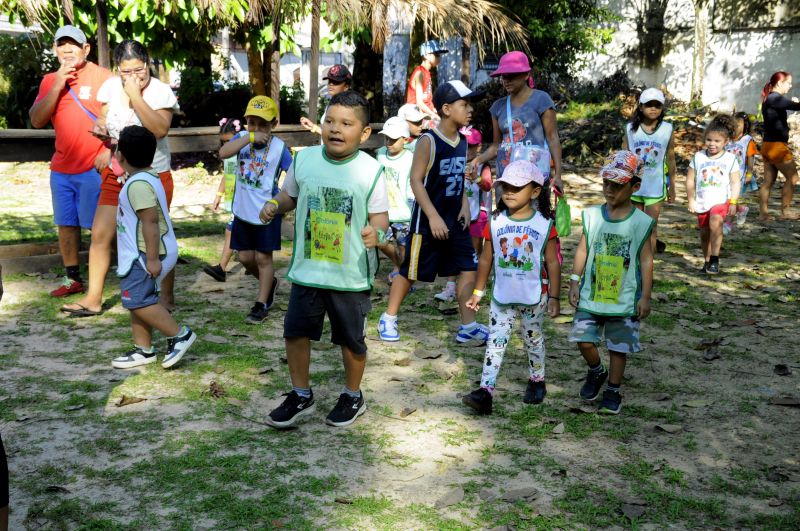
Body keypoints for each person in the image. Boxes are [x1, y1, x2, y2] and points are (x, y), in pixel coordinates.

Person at [258, 91, 389, 428]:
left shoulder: (371, 171)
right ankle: (301, 394)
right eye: (329, 120)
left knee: (350, 338)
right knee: (295, 332)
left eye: (346, 123)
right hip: (307, 270)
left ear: (364, 134)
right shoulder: (304, 160)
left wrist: (377, 234)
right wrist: (276, 204)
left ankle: (352, 395)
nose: (335, 128)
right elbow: (290, 195)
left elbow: (380, 219)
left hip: (350, 275)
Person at [61, 40, 179, 316]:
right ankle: (93, 298)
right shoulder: (110, 87)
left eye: (138, 70)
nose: (132, 77)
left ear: (147, 64)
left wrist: (135, 95)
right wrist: (101, 131)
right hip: (118, 172)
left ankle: (167, 297)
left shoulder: (160, 91)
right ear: (117, 69)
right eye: (125, 72)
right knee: (101, 234)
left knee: (156, 235)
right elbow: (105, 120)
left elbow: (160, 129)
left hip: (152, 175)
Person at [379, 81, 488, 345]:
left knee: (467, 267)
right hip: (427, 223)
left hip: (456, 221)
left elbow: (459, 179)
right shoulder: (428, 141)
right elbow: (416, 181)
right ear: (447, 109)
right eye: (465, 104)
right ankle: (389, 318)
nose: (470, 109)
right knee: (411, 271)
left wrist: (463, 203)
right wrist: (433, 216)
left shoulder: (462, 142)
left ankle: (468, 326)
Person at [461, 160, 560, 414]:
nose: (509, 192)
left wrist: (555, 297)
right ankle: (485, 391)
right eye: (505, 186)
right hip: (502, 295)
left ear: (536, 191)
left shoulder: (544, 224)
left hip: (533, 297)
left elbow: (552, 261)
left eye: (517, 187)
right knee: (495, 341)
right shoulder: (495, 222)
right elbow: (486, 258)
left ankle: (537, 380)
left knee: (532, 338)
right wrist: (477, 291)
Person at [568, 151, 654, 415]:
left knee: (619, 347)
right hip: (591, 294)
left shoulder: (641, 222)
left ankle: (613, 389)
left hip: (624, 298)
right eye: (606, 183)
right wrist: (574, 280)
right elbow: (582, 249)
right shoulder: (593, 216)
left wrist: (645, 296)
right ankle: (596, 370)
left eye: (617, 185)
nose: (609, 190)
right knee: (583, 339)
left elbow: (646, 261)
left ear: (634, 186)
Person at [29, 25, 112, 298]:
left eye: (73, 45)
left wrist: (110, 151)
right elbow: (37, 119)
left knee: (97, 226)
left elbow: (123, 118)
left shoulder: (103, 77)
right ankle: (72, 278)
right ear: (54, 49)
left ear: (85, 49)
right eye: (61, 44)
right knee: (66, 224)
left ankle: (107, 277)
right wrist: (57, 83)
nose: (67, 50)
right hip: (62, 168)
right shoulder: (49, 80)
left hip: (94, 165)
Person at [110, 126, 196, 369]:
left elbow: (150, 222)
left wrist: (151, 259)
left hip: (146, 254)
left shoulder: (137, 185)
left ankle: (179, 334)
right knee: (139, 299)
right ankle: (143, 349)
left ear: (121, 155)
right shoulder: (148, 176)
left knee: (137, 300)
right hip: (143, 253)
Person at [218, 96, 292, 323]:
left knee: (263, 258)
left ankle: (261, 303)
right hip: (242, 210)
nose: (257, 129)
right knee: (244, 257)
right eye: (252, 123)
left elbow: (293, 175)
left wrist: (281, 202)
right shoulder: (242, 138)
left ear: (274, 125)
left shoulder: (280, 149)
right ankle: (268, 284)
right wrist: (248, 137)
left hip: (266, 212)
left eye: (263, 125)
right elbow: (223, 153)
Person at [467, 51, 563, 194]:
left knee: (536, 214)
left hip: (534, 176)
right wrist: (477, 160)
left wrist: (558, 174)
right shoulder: (497, 107)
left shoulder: (542, 100)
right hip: (506, 176)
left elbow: (552, 138)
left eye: (512, 75)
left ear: (526, 74)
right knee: (505, 215)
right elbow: (495, 146)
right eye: (504, 76)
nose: (507, 80)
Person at [434, 126, 492, 303]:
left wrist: (477, 178)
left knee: (473, 252)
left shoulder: (483, 165)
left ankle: (475, 286)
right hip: (456, 214)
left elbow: (488, 185)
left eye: (471, 146)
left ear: (479, 147)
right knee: (452, 250)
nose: (467, 150)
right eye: (464, 145)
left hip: (477, 216)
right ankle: (450, 287)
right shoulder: (454, 161)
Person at [622, 87, 676, 254]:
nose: (653, 108)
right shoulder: (631, 129)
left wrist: (672, 186)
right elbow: (623, 157)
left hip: (655, 187)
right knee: (636, 227)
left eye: (657, 105)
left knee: (651, 227)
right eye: (649, 105)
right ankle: (635, 264)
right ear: (641, 107)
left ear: (662, 108)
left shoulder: (667, 129)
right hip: (635, 186)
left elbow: (671, 158)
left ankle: (648, 265)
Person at [686, 115, 741, 274]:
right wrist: (691, 200)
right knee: (704, 234)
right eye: (709, 140)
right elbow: (690, 180)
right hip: (703, 202)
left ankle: (715, 259)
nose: (712, 144)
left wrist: (733, 202)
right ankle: (707, 261)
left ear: (726, 142)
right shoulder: (698, 157)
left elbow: (735, 182)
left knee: (716, 221)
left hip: (721, 201)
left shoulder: (730, 159)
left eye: (717, 141)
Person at [375, 116, 415, 282]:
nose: (389, 142)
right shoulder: (380, 154)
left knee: (403, 244)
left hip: (404, 211)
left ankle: (402, 273)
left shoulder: (411, 158)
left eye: (393, 139)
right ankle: (398, 265)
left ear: (405, 140)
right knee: (380, 240)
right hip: (383, 209)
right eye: (386, 138)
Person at [758, 71, 800, 220]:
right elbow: (795, 106)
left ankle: (763, 214)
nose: (790, 86)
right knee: (793, 177)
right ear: (780, 83)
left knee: (768, 181)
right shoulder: (775, 98)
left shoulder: (769, 99)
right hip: (776, 147)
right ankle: (786, 211)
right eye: (788, 83)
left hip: (768, 145)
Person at [300, 64, 353, 136]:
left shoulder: (347, 107)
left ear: (346, 86)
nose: (331, 84)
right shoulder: (332, 103)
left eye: (336, 82)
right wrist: (313, 127)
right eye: (330, 81)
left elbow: (341, 137)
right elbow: (329, 134)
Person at [726, 112, 758, 228]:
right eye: (734, 124)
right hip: (725, 174)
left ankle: (728, 223)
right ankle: (741, 209)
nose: (736, 127)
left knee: (731, 199)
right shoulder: (726, 139)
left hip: (739, 175)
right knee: (726, 199)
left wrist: (749, 174)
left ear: (746, 126)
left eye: (739, 125)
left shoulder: (747, 140)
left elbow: (750, 158)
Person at [406, 40, 448, 125]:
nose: (439, 57)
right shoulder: (420, 73)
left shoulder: (427, 73)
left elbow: (427, 98)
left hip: (425, 113)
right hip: (416, 114)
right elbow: (420, 103)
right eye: (436, 54)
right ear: (426, 55)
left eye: (439, 55)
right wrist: (433, 115)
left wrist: (433, 110)